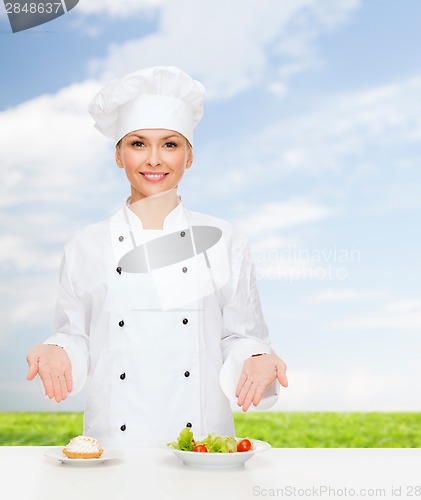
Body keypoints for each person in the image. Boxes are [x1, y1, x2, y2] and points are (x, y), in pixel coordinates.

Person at [26, 66, 288, 448]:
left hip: (201, 447)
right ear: (118, 155)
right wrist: (57, 349)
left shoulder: (226, 240)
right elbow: (75, 334)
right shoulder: (85, 244)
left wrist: (257, 357)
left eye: (169, 144)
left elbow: (239, 336)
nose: (154, 160)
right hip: (112, 448)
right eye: (137, 144)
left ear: (190, 156)